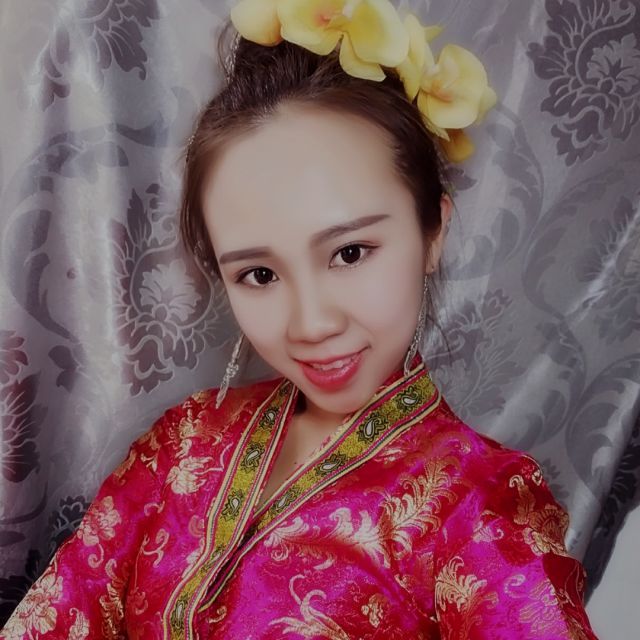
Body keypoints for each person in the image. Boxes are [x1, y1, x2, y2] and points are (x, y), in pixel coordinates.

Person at [1, 1, 599, 638]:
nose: (311, 324)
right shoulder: (183, 443)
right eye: (259, 275)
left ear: (433, 232)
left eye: (350, 253)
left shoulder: (481, 506)